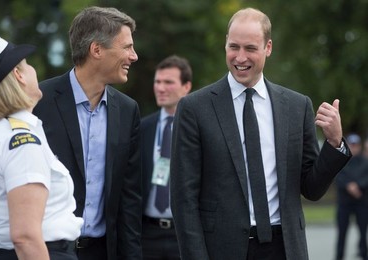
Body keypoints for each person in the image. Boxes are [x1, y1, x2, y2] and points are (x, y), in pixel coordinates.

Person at [170, 7, 351, 260]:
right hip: (222, 249)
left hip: (285, 248)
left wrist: (333, 143)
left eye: (250, 48)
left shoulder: (297, 106)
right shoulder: (194, 108)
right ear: (225, 45)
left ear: (268, 48)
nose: (240, 57)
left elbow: (311, 188)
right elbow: (183, 198)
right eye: (234, 46)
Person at [32, 6, 141, 260]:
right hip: (47, 251)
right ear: (96, 50)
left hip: (103, 252)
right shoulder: (38, 102)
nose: (134, 56)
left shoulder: (127, 110)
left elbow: (129, 200)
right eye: (126, 47)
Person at [0, 35, 83, 260]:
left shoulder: (3, 132)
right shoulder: (21, 141)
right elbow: (25, 237)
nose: (33, 70)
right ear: (18, 75)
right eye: (28, 65)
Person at [141, 55, 192, 259]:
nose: (161, 88)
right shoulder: (142, 127)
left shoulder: (198, 128)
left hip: (183, 235)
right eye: (157, 82)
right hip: (147, 235)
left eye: (168, 82)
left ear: (186, 86)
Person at [335, 133, 368, 260]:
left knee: (363, 232)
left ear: (359, 146)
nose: (354, 147)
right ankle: (339, 256)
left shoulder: (365, 162)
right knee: (342, 233)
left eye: (356, 145)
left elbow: (366, 178)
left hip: (361, 203)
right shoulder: (340, 160)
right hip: (344, 203)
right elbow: (337, 177)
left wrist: (357, 186)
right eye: (352, 144)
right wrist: (348, 185)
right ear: (348, 145)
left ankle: (364, 255)